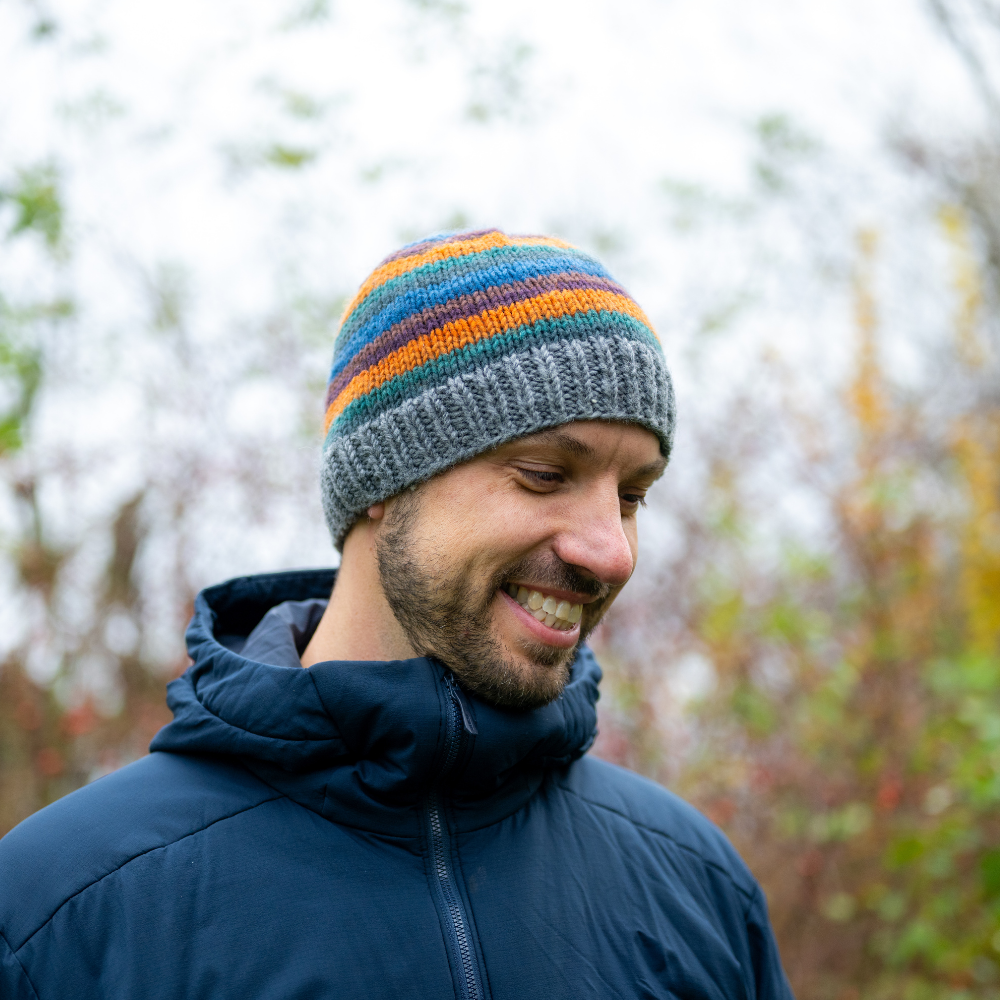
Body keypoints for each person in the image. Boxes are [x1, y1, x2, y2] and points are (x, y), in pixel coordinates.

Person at [0, 229, 794, 999]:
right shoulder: (61, 912)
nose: (611, 554)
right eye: (544, 474)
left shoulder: (699, 888)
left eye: (631, 496)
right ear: (384, 478)